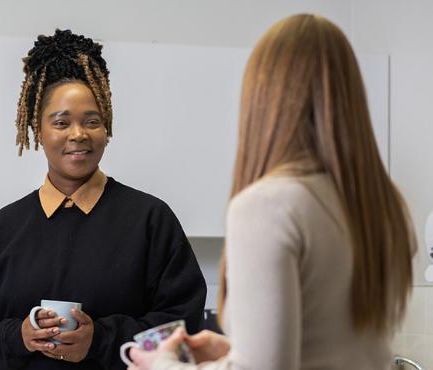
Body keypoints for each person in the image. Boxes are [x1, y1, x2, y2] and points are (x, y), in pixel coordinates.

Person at [128, 13, 416, 370]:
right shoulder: (387, 203)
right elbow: (331, 345)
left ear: (264, 100)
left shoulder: (267, 206)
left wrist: (162, 365)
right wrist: (234, 352)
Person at [0, 29, 207, 370]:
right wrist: (18, 337)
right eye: (61, 122)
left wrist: (101, 341)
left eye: (91, 121)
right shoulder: (2, 229)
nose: (78, 134)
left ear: (105, 127)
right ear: (38, 130)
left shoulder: (150, 219)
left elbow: (184, 328)